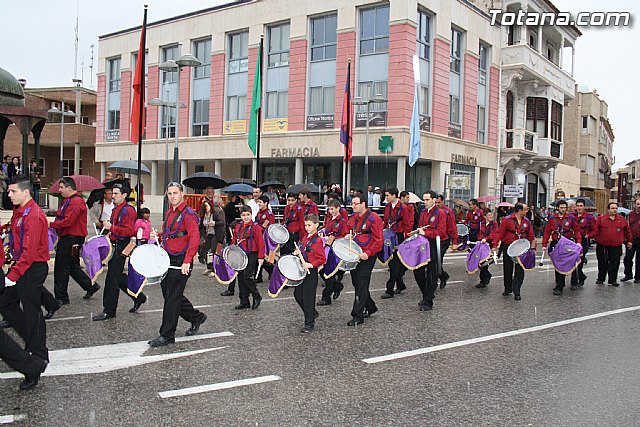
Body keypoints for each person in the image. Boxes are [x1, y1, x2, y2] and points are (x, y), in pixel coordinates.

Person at [0, 175, 50, 389]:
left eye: (13, 191)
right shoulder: (20, 212)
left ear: (26, 191)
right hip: (22, 266)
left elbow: (29, 252)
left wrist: (12, 276)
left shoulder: (32, 215)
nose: (9, 195)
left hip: (31, 268)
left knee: (32, 313)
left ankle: (38, 358)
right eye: (8, 191)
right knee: (6, 304)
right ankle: (30, 341)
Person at [147, 183, 207, 347]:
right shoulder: (169, 212)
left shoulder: (189, 214)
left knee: (172, 298)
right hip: (168, 259)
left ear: (182, 194)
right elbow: (170, 234)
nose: (172, 196)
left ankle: (166, 334)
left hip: (181, 260)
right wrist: (157, 236)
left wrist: (188, 261)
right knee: (170, 295)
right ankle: (196, 317)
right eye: (170, 194)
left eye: (175, 193)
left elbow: (194, 239)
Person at [92, 183, 147, 320]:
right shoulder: (116, 208)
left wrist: (111, 227)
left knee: (112, 278)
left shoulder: (128, 210)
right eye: (112, 193)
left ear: (124, 195)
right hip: (114, 243)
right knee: (117, 276)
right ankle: (138, 296)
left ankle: (109, 310)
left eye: (116, 193)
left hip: (121, 245)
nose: (113, 196)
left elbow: (128, 231)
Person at [49, 177, 101, 304]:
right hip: (70, 238)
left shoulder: (75, 202)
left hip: (71, 239)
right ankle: (90, 286)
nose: (60, 190)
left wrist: (51, 225)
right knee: (72, 265)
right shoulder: (68, 201)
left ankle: (61, 297)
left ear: (69, 188)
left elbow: (68, 221)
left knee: (62, 267)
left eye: (61, 187)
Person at [345, 193, 383, 326]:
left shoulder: (374, 218)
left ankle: (357, 315)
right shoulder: (353, 218)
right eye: (352, 203)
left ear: (363, 204)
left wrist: (369, 252)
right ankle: (370, 306)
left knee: (361, 282)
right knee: (357, 282)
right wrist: (348, 237)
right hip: (356, 253)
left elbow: (379, 240)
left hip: (368, 255)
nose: (353, 206)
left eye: (356, 204)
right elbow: (349, 231)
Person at [491, 203, 535, 300]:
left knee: (520, 270)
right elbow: (500, 233)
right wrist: (495, 245)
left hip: (521, 248)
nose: (527, 211)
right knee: (508, 268)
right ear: (519, 211)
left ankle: (517, 291)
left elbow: (531, 234)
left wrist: (533, 246)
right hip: (509, 246)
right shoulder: (507, 220)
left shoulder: (526, 221)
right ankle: (508, 288)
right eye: (525, 210)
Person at [413, 191, 447, 311]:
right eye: (424, 200)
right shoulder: (422, 213)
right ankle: (426, 294)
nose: (425, 202)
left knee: (432, 273)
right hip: (422, 244)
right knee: (417, 271)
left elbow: (442, 232)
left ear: (433, 200)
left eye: (427, 200)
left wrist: (426, 233)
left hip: (433, 243)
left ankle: (428, 301)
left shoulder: (440, 213)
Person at [587, 202, 633, 287]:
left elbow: (627, 231)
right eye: (612, 208)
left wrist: (630, 241)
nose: (614, 210)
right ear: (608, 210)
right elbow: (595, 230)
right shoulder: (601, 219)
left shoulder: (622, 219)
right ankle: (600, 279)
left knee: (615, 263)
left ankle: (612, 280)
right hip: (603, 246)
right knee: (602, 263)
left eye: (616, 208)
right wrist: (589, 236)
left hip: (616, 246)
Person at [293, 214, 326, 333]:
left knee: (308, 297)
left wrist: (311, 264)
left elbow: (322, 259)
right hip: (302, 270)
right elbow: (303, 249)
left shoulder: (317, 240)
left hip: (311, 271)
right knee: (297, 294)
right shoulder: (305, 238)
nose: (307, 227)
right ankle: (312, 313)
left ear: (316, 225)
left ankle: (309, 322)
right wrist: (298, 251)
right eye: (306, 225)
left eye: (309, 225)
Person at [542, 199, 581, 295]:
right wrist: (544, 244)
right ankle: (559, 285)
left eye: (565, 208)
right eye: (561, 208)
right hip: (556, 243)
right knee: (558, 264)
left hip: (567, 243)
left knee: (571, 262)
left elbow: (576, 231)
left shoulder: (570, 218)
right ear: (557, 208)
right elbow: (547, 232)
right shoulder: (552, 219)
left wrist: (579, 242)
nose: (563, 209)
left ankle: (574, 281)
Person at [381, 187, 413, 299]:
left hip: (398, 236)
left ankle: (389, 289)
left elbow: (407, 224)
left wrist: (406, 239)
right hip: (389, 235)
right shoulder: (387, 207)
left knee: (394, 262)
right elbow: (385, 221)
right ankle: (400, 284)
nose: (386, 197)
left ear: (394, 195)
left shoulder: (403, 208)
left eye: (388, 195)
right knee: (391, 261)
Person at [232, 206, 264, 310]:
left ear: (251, 215)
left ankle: (256, 296)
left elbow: (260, 242)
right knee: (240, 277)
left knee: (247, 277)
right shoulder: (238, 226)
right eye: (243, 215)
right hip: (240, 254)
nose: (246, 217)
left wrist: (261, 256)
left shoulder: (255, 227)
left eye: (248, 215)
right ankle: (244, 301)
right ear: (241, 216)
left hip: (251, 253)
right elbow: (234, 240)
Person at [317, 199, 347, 305]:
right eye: (329, 209)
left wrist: (329, 239)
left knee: (327, 272)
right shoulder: (330, 219)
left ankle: (326, 297)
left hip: (333, 249)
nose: (331, 211)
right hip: (326, 247)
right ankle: (337, 286)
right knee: (323, 271)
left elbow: (339, 235)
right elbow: (326, 230)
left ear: (338, 208)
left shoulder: (342, 221)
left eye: (333, 209)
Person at [435, 195, 459, 289]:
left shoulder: (448, 212)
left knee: (437, 260)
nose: (437, 204)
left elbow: (452, 227)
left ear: (443, 202)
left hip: (444, 239)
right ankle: (443, 276)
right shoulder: (433, 211)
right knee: (434, 261)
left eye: (439, 202)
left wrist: (454, 242)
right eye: (436, 202)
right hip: (434, 238)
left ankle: (436, 280)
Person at [570, 199, 595, 287]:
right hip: (573, 241)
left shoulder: (589, 217)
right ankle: (580, 277)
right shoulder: (572, 216)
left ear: (584, 207)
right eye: (578, 206)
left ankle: (575, 281)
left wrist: (588, 235)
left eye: (581, 206)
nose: (579, 208)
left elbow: (595, 230)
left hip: (583, 241)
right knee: (572, 261)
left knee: (579, 261)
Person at [200, 199, 226, 277]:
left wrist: (214, 223)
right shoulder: (203, 215)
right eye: (205, 206)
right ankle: (209, 267)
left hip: (216, 234)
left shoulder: (215, 213)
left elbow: (222, 222)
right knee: (205, 250)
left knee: (213, 251)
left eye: (207, 205)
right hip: (208, 234)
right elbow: (201, 226)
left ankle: (215, 270)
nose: (206, 208)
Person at [476, 211, 497, 288]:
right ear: (485, 216)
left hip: (490, 244)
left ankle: (483, 280)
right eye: (489, 215)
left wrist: (486, 239)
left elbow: (493, 234)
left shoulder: (494, 224)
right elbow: (479, 233)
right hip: (483, 244)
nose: (491, 216)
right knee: (481, 263)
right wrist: (481, 239)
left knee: (485, 263)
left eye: (492, 214)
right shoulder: (482, 224)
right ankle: (486, 276)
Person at [622, 198, 640, 283]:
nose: (639, 206)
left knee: (639, 260)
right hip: (631, 239)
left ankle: (638, 277)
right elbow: (626, 227)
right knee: (628, 258)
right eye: (638, 204)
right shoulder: (630, 215)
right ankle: (628, 275)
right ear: (635, 205)